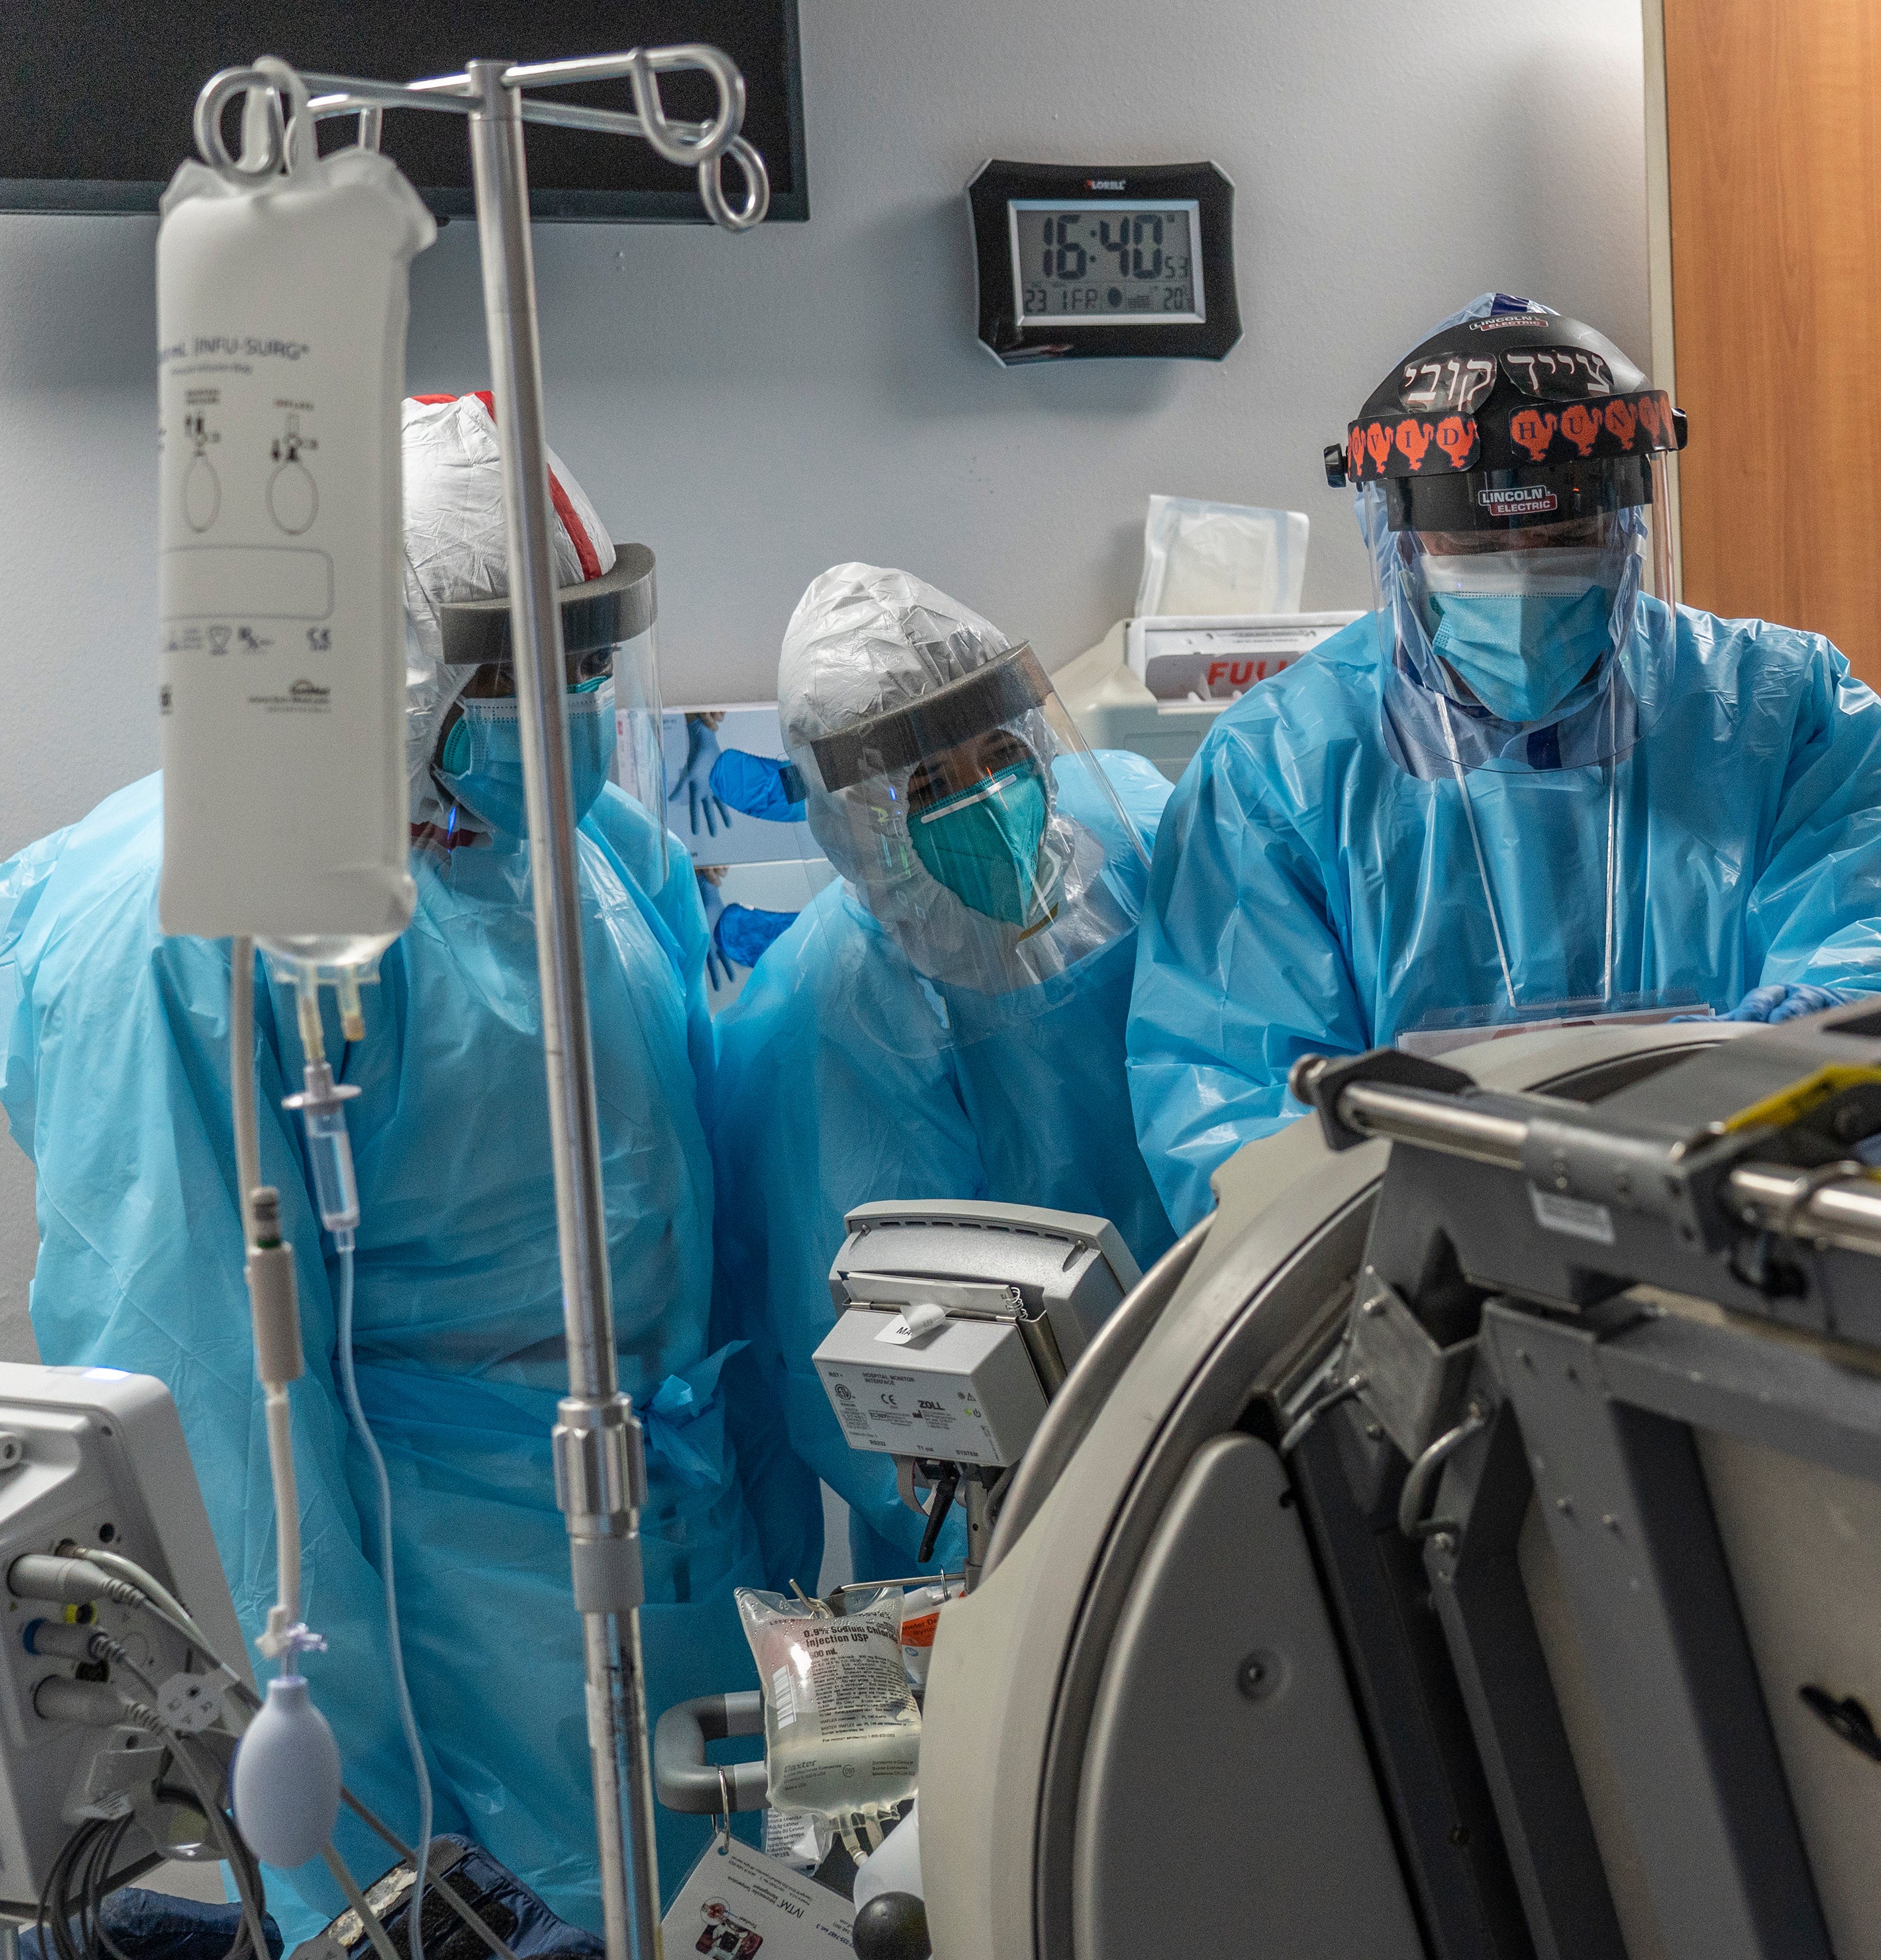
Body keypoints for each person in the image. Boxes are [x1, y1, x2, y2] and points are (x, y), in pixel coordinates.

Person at [0, 393, 800, 1932]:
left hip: (674, 1595)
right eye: (524, 667)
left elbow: (699, 1258)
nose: (572, 698)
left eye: (588, 649)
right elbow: (218, 1415)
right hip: (433, 1694)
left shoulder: (592, 851)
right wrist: (347, 1856)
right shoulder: (203, 927)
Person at [1126, 293, 1881, 1227]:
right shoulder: (1280, 769)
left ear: (1628, 525)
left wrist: (1807, 1053)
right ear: (1404, 540)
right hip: (1412, 1275)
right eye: (1480, 545)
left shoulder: (1781, 709)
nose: (1522, 575)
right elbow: (1233, 1102)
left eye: (1560, 542)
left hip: (1746, 1223)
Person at [710, 563, 1173, 1577]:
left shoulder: (1136, 840)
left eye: (1001, 751)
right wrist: (1019, 1529)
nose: (987, 796)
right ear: (855, 821)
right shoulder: (827, 1012)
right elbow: (863, 1362)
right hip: (1012, 1521)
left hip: (1213, 1386)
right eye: (928, 784)